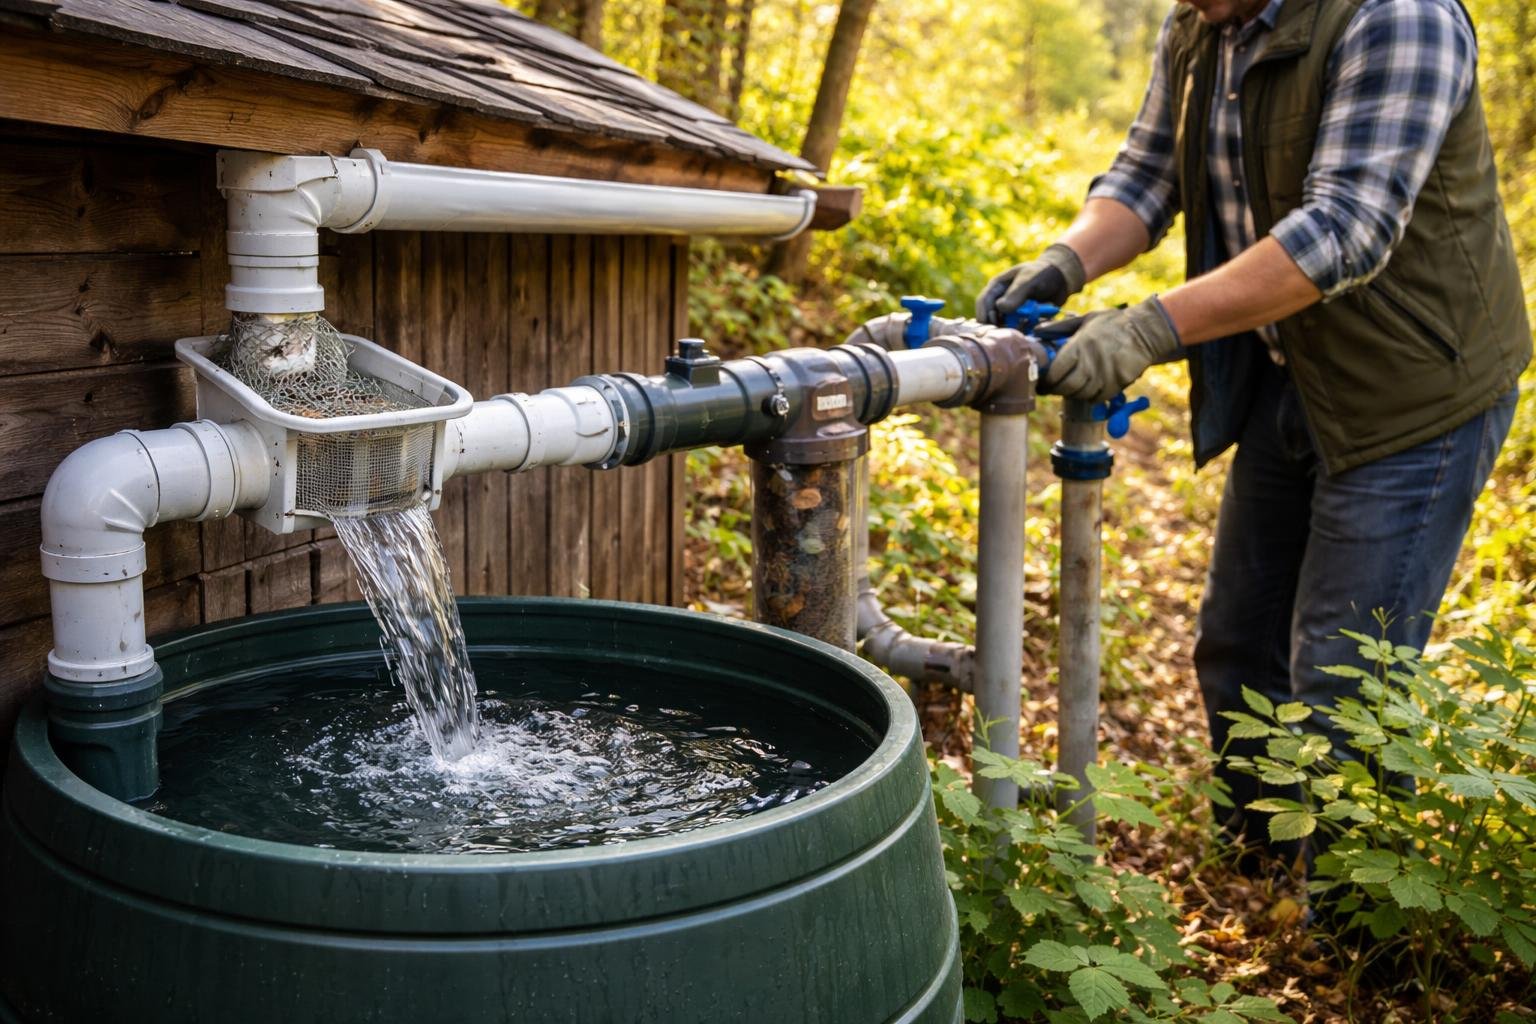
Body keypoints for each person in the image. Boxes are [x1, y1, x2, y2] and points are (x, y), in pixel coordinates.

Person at [977, 0, 1529, 869]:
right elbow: (1146, 175)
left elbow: (1344, 230)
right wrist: (1065, 259)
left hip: (1415, 389)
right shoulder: (1203, 23)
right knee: (1239, 642)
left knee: (1347, 685)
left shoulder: (1399, 16)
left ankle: (1358, 938)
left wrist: (1150, 327)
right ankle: (1259, 859)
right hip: (1290, 369)